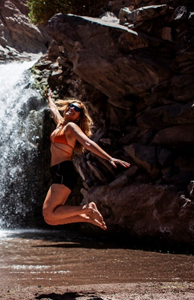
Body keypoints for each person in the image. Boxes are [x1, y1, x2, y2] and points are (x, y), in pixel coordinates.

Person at [42, 89, 130, 230]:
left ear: (78, 117)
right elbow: (54, 111)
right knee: (51, 220)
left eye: (76, 109)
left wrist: (109, 158)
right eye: (70, 105)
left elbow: (88, 143)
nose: (71, 108)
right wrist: (49, 98)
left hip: (64, 171)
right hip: (58, 172)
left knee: (48, 212)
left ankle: (88, 208)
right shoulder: (61, 124)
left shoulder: (71, 127)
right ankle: (87, 218)